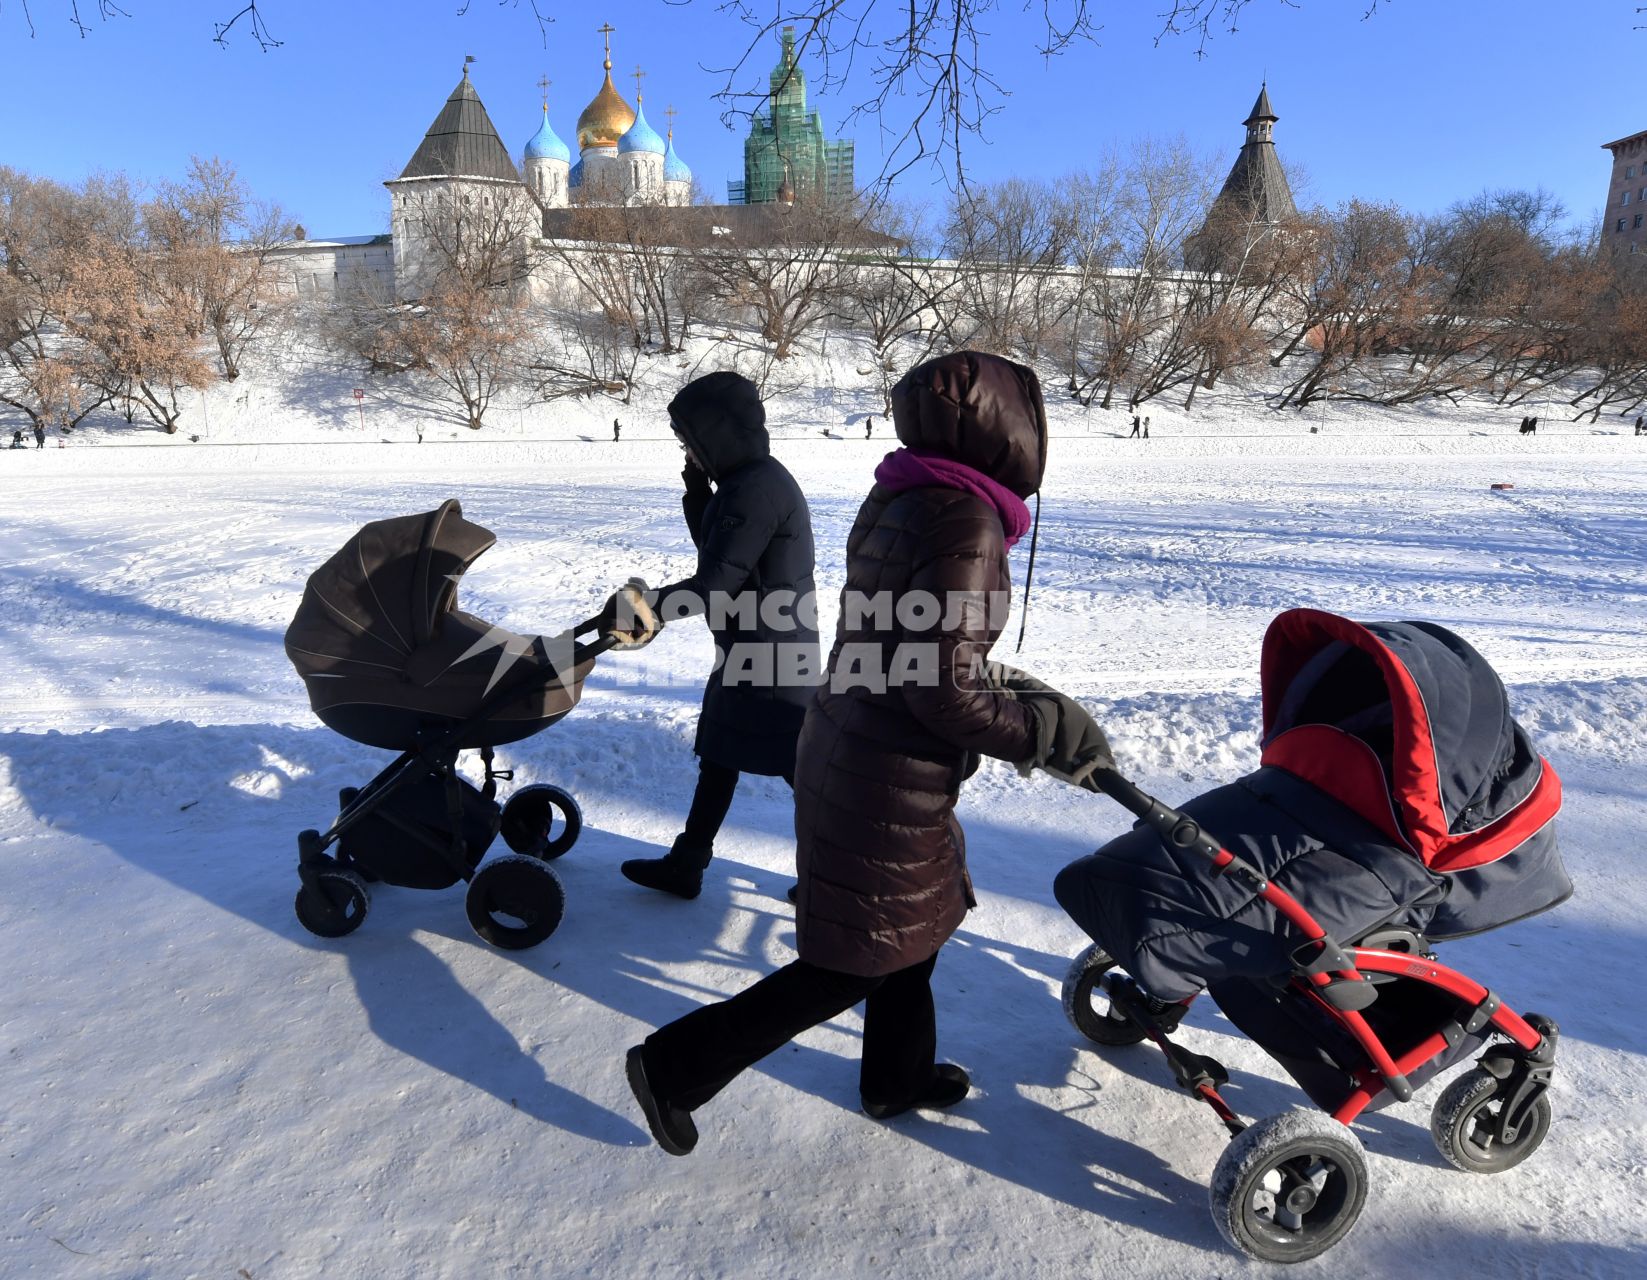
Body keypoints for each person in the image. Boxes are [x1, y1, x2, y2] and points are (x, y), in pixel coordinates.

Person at [624, 350, 1112, 1156]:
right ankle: (674, 1066)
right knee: (854, 958)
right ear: (1008, 432)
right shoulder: (966, 520)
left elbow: (915, 644)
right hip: (890, 768)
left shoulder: (903, 493)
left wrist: (1004, 685)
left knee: (911, 933)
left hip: (851, 733)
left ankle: (895, 1078)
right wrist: (1041, 737)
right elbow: (944, 692)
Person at [600, 371, 819, 900]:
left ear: (715, 433)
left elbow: (715, 583)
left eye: (688, 440)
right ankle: (688, 862)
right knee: (721, 754)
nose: (686, 450)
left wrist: (647, 610)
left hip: (768, 657)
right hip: (755, 646)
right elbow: (723, 551)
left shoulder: (755, 490)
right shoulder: (747, 482)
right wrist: (698, 494)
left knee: (805, 776)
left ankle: (836, 878)